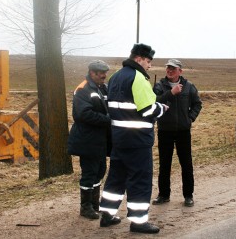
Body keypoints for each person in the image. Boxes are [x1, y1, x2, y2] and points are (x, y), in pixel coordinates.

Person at [99, 43, 168, 234]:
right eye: (148, 61)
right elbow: (148, 109)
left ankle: (106, 214)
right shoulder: (139, 78)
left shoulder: (115, 77)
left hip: (119, 138)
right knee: (140, 180)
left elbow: (111, 107)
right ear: (139, 59)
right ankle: (138, 221)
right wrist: (162, 109)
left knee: (115, 178)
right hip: (138, 141)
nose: (150, 66)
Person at [152, 59, 202, 207]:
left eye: (173, 69)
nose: (170, 71)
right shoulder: (160, 86)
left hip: (183, 131)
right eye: (168, 68)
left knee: (186, 164)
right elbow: (154, 101)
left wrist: (190, 118)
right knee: (164, 164)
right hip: (164, 130)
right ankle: (163, 195)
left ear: (180, 71)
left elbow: (197, 104)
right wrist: (170, 93)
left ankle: (188, 195)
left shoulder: (189, 86)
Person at [68, 60, 111, 220]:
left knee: (99, 171)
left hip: (100, 139)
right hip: (88, 139)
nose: (104, 75)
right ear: (92, 73)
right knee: (89, 173)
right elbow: (83, 114)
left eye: (105, 72)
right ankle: (85, 207)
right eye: (101, 73)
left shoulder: (103, 88)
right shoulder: (83, 89)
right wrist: (108, 120)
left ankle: (94, 204)